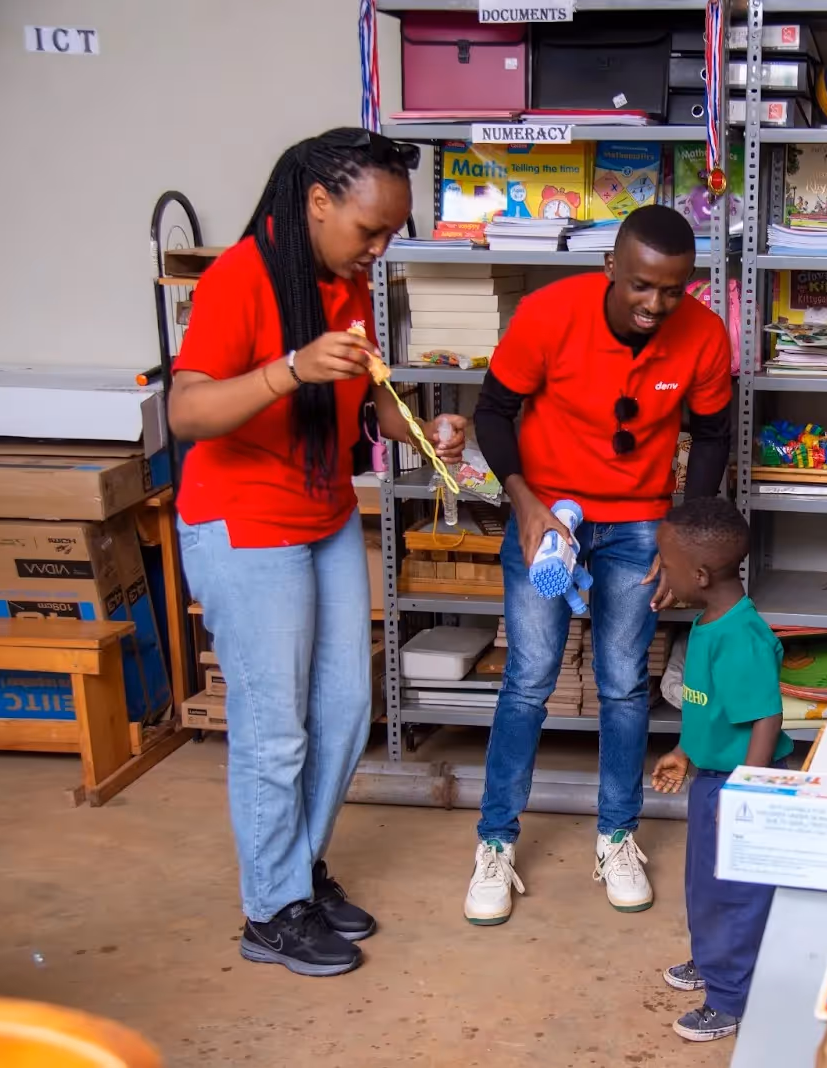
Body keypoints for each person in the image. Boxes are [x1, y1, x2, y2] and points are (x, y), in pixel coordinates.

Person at [168, 128, 467, 977]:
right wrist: (290, 369)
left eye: (389, 236)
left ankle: (296, 872)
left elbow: (361, 399)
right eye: (368, 231)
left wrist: (412, 423)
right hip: (240, 520)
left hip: (322, 509)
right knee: (275, 731)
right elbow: (187, 414)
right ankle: (271, 910)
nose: (377, 251)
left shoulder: (342, 280)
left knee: (342, 710)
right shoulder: (238, 280)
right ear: (317, 202)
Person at [465, 205, 734, 924]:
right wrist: (523, 504)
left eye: (673, 291)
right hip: (548, 515)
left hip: (641, 521)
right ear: (610, 267)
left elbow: (711, 436)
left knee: (621, 682)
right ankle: (494, 842)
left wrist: (682, 539)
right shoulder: (549, 314)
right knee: (529, 678)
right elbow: (492, 412)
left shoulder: (704, 336)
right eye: (642, 286)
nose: (656, 305)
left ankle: (617, 836)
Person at [649, 498, 791, 1043]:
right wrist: (685, 752)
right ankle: (712, 962)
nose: (662, 571)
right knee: (704, 884)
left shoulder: (740, 637)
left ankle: (729, 997)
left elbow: (765, 716)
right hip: (715, 779)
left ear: (701, 575)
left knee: (734, 892)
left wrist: (747, 791)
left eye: (667, 563)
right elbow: (709, 706)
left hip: (743, 785)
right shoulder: (712, 623)